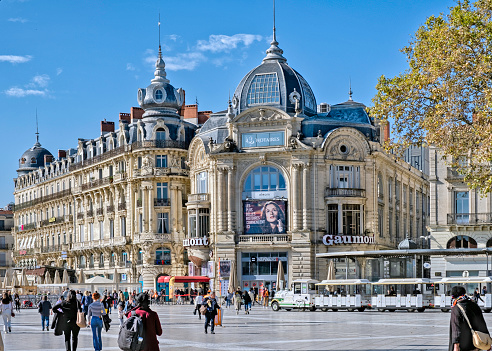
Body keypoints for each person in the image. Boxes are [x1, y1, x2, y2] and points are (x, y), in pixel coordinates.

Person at [449, 285, 490, 351]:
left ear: (453, 296)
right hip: (477, 344)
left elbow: (456, 329)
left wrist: (456, 346)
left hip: (463, 345)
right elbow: (482, 323)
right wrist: (487, 340)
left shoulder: (456, 308)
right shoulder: (474, 305)